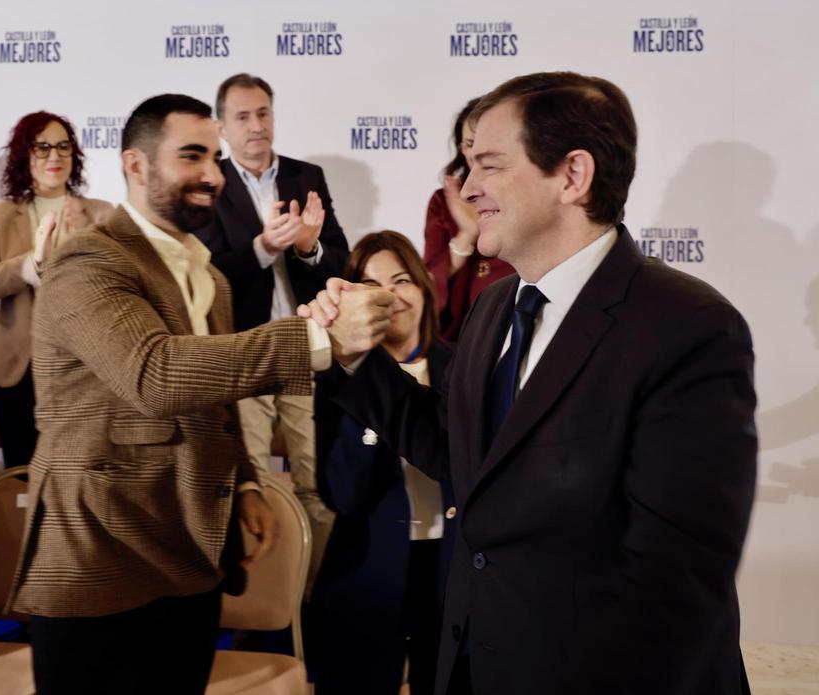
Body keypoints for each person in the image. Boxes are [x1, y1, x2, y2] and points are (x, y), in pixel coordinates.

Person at [304, 72, 757, 694]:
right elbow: (457, 447)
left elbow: (675, 581)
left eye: (488, 164)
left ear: (572, 175)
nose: (466, 188)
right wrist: (356, 358)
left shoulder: (689, 327)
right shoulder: (494, 307)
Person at [9, 93, 392, 695]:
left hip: (193, 559)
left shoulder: (208, 275)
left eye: (215, 157)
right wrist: (317, 338)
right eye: (192, 156)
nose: (213, 175)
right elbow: (156, 377)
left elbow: (212, 398)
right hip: (98, 564)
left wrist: (243, 481)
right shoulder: (88, 260)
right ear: (135, 165)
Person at [197, 73, 350, 585]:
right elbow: (206, 273)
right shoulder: (208, 183)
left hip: (307, 348)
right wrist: (264, 248)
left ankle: (313, 598)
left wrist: (308, 247)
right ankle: (263, 603)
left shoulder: (306, 176)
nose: (256, 126)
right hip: (244, 353)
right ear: (221, 127)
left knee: (316, 482)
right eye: (242, 117)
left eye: (263, 113)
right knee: (253, 484)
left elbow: (340, 258)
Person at [310, 231, 453, 695]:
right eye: (370, 285)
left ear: (425, 287)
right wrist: (373, 404)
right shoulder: (337, 379)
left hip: (451, 572)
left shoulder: (464, 366)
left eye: (401, 280)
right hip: (368, 570)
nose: (390, 295)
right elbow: (343, 493)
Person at [0, 111, 112, 468]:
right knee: (22, 477)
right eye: (42, 147)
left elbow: (118, 288)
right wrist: (29, 266)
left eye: (63, 147)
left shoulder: (101, 213)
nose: (54, 157)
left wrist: (84, 244)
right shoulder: (3, 214)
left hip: (83, 367)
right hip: (18, 369)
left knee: (79, 475)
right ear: (23, 156)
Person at [422, 98, 514, 341]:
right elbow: (428, 284)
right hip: (456, 334)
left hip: (512, 322)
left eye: (487, 144)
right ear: (460, 148)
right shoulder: (444, 201)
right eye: (470, 144)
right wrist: (467, 234)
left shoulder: (521, 195)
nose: (476, 153)